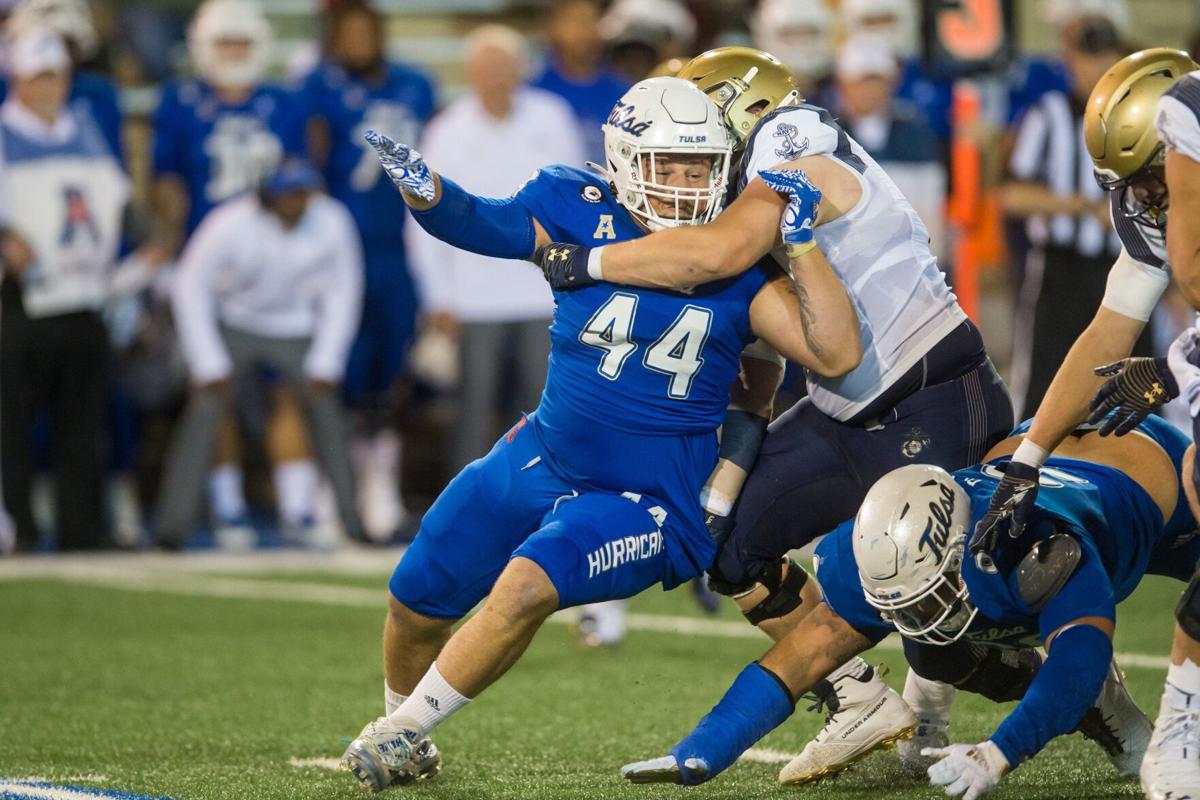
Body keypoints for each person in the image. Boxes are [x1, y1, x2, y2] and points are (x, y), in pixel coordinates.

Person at [339, 76, 863, 790]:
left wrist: (802, 248)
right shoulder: (574, 203)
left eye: (699, 168)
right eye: (666, 166)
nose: (683, 184)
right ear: (621, 161)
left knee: (526, 585)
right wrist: (428, 193)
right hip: (545, 451)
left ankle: (400, 732)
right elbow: (485, 224)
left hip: (646, 494)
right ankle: (407, 726)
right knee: (415, 595)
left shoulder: (734, 254)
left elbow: (819, 355)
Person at [533, 45, 1014, 784]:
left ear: (740, 108)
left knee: (944, 615)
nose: (691, 150)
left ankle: (1092, 698)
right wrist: (722, 479)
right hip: (840, 411)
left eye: (699, 125)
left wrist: (586, 262)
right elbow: (761, 343)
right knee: (726, 546)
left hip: (935, 392)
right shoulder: (750, 182)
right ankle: (857, 700)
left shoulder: (796, 137)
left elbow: (717, 253)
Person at [620, 413, 1184, 796]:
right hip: (1036, 445)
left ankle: (1110, 708)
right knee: (935, 653)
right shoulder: (875, 547)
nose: (914, 619)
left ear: (963, 553)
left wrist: (998, 753)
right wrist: (701, 749)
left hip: (1161, 488)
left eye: (928, 596)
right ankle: (1088, 710)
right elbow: (806, 653)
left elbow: (1080, 660)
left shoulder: (1031, 549)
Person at [0, 28, 161, 552]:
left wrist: (145, 238)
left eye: (57, 76)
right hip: (25, 299)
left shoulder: (84, 127)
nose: (50, 87)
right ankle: (18, 527)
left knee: (83, 425)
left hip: (86, 295)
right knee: (14, 420)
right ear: (19, 79)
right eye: (39, 77)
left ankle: (82, 531)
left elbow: (114, 200)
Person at [153, 159, 364, 549]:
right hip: (234, 322)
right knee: (206, 406)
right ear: (267, 196)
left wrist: (327, 358)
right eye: (288, 194)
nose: (297, 203)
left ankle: (353, 522)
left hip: (297, 326)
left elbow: (344, 289)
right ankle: (172, 527)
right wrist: (206, 359)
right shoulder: (229, 223)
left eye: (303, 193)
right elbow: (190, 285)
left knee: (326, 408)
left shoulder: (332, 220)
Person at [406, 25, 581, 473]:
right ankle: (465, 516)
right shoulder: (447, 130)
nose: (497, 76)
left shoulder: (551, 116)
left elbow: (578, 199)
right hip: (473, 297)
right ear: (470, 72)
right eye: (487, 67)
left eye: (505, 65)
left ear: (522, 68)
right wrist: (439, 297)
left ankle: (549, 503)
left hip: (544, 292)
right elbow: (423, 216)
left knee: (549, 407)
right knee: (473, 411)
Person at [300, 1, 436, 542]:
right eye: (348, 31)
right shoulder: (318, 88)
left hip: (401, 247)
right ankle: (335, 483)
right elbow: (312, 163)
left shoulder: (415, 85)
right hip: (343, 248)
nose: (358, 40)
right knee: (341, 368)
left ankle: (381, 480)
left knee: (392, 370)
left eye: (366, 30)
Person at [1000, 13, 1141, 419]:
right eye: (1087, 56)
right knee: (1043, 383)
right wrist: (1082, 206)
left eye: (1104, 56)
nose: (1096, 68)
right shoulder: (1049, 115)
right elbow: (1011, 195)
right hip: (1061, 269)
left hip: (1128, 266)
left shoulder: (1139, 116)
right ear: (1069, 59)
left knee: (1136, 388)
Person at [531, 0, 629, 163]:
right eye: (576, 21)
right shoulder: (535, 93)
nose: (585, 31)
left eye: (592, 20)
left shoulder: (624, 93)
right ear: (553, 27)